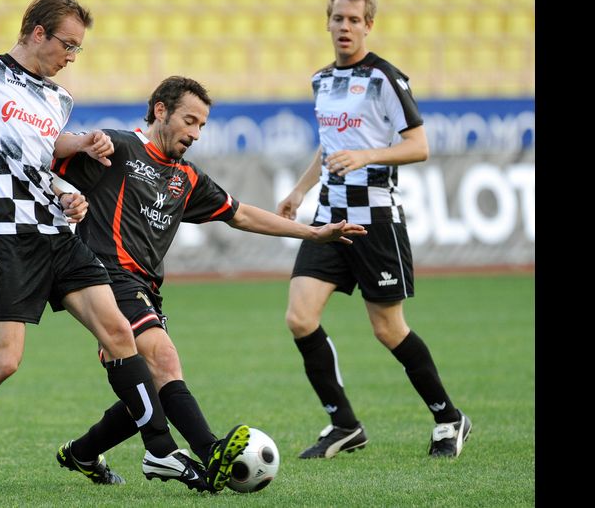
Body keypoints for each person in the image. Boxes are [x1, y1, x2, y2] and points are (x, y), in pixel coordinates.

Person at [0, 0, 222, 497]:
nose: (71, 55)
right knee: (3, 360)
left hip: (55, 230)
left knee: (118, 332)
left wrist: (74, 162)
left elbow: (40, 149)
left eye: (79, 48)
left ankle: (159, 450)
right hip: (2, 231)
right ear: (37, 33)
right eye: (68, 44)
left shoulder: (57, 98)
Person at [50, 76, 367, 491]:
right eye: (190, 121)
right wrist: (66, 180)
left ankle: (83, 452)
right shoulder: (119, 148)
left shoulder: (185, 177)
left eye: (202, 125)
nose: (196, 134)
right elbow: (44, 153)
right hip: (105, 277)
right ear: (160, 110)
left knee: (150, 389)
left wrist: (311, 232)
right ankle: (210, 450)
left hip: (145, 288)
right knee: (164, 361)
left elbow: (240, 213)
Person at [276, 0, 471, 460]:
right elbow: (328, 144)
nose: (345, 27)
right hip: (329, 218)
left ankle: (449, 418)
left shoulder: (385, 78)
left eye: (354, 20)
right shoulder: (321, 80)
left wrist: (367, 155)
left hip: (376, 218)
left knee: (388, 329)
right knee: (300, 317)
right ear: (327, 22)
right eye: (338, 18)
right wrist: (301, 190)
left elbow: (419, 145)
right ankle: (343, 425)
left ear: (369, 26)